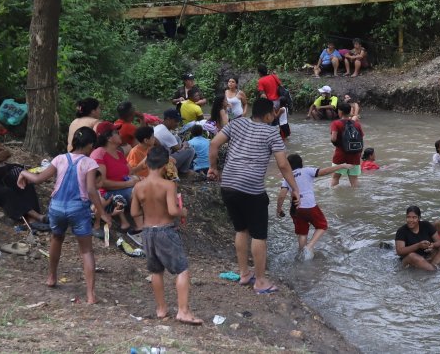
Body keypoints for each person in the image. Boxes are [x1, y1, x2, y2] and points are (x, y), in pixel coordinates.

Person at [207, 98, 299, 295]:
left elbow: (214, 143)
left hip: (228, 185)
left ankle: (244, 274)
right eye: (273, 114)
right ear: (268, 115)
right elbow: (283, 165)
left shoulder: (237, 123)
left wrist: (213, 168)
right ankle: (260, 281)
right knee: (259, 235)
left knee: (241, 230)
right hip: (251, 189)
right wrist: (295, 189)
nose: (274, 117)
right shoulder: (272, 132)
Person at [17, 126, 111, 303]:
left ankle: (51, 277)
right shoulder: (89, 163)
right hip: (78, 209)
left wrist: (23, 173)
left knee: (56, 239)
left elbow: (38, 179)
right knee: (86, 250)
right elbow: (91, 190)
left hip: (57, 207)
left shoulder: (60, 158)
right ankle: (91, 295)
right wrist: (102, 212)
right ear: (90, 144)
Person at [133, 146, 203, 325]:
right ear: (165, 165)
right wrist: (183, 212)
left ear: (146, 163)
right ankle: (183, 311)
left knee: (156, 271)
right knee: (182, 270)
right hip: (165, 231)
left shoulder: (138, 186)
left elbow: (134, 212)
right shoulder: (168, 185)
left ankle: (161, 309)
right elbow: (172, 210)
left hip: (148, 232)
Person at [276, 154, 348, 260]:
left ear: (288, 166)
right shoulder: (307, 171)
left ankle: (301, 255)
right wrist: (341, 166)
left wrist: (279, 209)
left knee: (302, 233)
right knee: (322, 226)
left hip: (296, 209)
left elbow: (282, 195)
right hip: (309, 206)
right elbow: (324, 171)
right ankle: (309, 247)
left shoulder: (287, 178)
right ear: (301, 163)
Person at [92, 122, 141, 237]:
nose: (120, 135)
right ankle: (141, 227)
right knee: (139, 191)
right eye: (116, 132)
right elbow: (102, 183)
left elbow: (130, 172)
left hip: (125, 187)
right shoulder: (99, 154)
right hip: (109, 194)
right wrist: (129, 183)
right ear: (109, 138)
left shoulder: (119, 153)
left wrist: (140, 175)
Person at [394, 205, 440, 271]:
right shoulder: (401, 231)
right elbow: (400, 251)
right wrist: (418, 245)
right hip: (410, 260)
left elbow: (439, 242)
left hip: (427, 257)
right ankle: (433, 271)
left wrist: (432, 245)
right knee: (412, 256)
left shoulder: (426, 225)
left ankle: (431, 266)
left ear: (419, 218)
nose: (411, 220)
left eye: (414, 217)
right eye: (408, 217)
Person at [328, 102, 364, 187]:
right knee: (354, 180)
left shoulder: (336, 123)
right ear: (349, 111)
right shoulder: (357, 124)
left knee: (335, 178)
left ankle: (333, 198)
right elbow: (361, 138)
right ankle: (355, 198)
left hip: (341, 154)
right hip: (355, 155)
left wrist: (339, 145)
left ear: (340, 112)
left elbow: (333, 138)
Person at [155, 109, 196, 175]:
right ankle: (183, 171)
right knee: (190, 150)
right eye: (176, 121)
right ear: (168, 119)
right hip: (162, 163)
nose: (177, 124)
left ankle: (178, 168)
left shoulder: (158, 126)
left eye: (179, 121)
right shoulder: (166, 134)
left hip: (157, 158)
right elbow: (179, 149)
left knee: (176, 138)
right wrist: (185, 145)